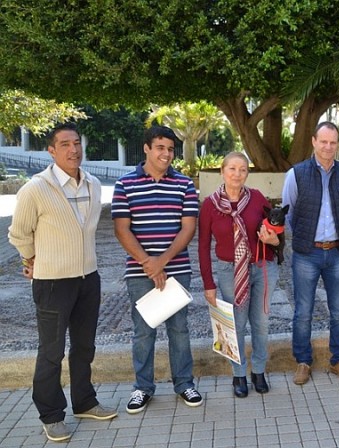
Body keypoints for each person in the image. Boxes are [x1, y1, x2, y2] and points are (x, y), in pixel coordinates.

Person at [8, 123, 118, 442]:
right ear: (52, 151)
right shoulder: (35, 189)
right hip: (53, 282)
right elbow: (18, 234)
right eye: (65, 144)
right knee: (52, 351)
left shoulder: (94, 184)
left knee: (84, 346)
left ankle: (84, 402)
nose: (74, 149)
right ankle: (51, 414)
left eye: (77, 142)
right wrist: (32, 260)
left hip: (88, 278)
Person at [112, 125, 203, 414]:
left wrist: (161, 261)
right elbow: (122, 229)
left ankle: (184, 384)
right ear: (147, 148)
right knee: (143, 331)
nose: (166, 154)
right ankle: (142, 388)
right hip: (140, 273)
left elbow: (188, 228)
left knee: (179, 329)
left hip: (176, 270)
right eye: (160, 147)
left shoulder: (185, 184)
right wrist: (149, 264)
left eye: (170, 149)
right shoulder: (125, 184)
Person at [198, 152, 281, 398]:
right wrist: (208, 284)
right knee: (236, 324)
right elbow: (203, 246)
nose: (237, 174)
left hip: (263, 267)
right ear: (222, 171)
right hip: (229, 270)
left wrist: (274, 238)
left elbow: (275, 230)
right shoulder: (210, 205)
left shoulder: (256, 198)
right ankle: (238, 375)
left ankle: (259, 371)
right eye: (232, 169)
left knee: (261, 323)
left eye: (243, 169)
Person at [281, 121, 339, 385]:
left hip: (337, 252)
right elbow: (288, 214)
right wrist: (306, 239)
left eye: (333, 142)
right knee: (303, 311)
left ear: (338, 144)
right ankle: (303, 362)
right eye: (323, 141)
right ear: (313, 141)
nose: (328, 147)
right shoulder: (296, 174)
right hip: (306, 254)